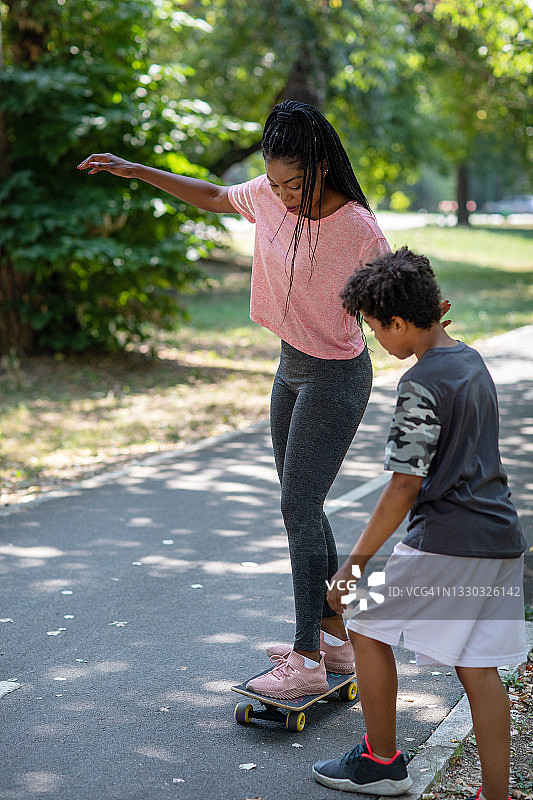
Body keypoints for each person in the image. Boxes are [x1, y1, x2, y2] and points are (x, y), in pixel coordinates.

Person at [78, 100, 391, 697]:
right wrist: (136, 170)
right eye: (273, 183)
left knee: (299, 506)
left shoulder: (358, 229)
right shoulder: (268, 196)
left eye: (293, 184)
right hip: (290, 366)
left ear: (322, 167)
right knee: (304, 505)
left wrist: (438, 351)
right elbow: (215, 195)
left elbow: (396, 298)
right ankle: (334, 639)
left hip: (337, 377)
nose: (281, 195)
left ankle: (305, 658)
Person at [313, 247, 527, 798]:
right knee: (479, 671)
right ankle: (496, 796)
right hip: (500, 540)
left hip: (448, 541)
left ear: (400, 323)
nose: (376, 340)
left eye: (374, 328)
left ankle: (381, 761)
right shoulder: (471, 359)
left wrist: (353, 567)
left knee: (361, 620)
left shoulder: (420, 384)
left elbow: (404, 484)